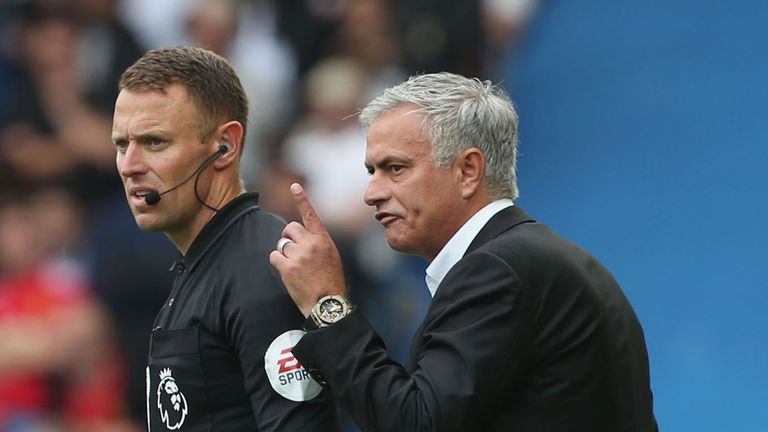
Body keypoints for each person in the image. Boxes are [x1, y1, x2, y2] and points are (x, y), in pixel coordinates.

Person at [269, 72, 658, 431]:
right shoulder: (538, 260)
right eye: (373, 171)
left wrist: (325, 304)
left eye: (396, 169)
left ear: (468, 170)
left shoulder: (497, 271)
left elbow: (415, 423)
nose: (372, 193)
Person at [112, 46, 338, 431]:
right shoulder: (206, 263)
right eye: (121, 144)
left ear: (225, 147)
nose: (130, 165)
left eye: (154, 142)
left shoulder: (265, 270)